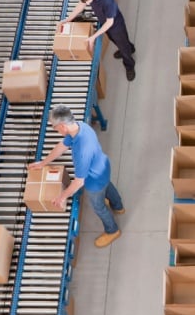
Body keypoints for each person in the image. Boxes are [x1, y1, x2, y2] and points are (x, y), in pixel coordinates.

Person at [29, 105, 124, 248]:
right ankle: (118, 207)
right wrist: (43, 163)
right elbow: (61, 146)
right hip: (103, 167)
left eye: (54, 128)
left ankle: (112, 230)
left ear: (62, 126)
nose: (55, 130)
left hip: (94, 181)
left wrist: (62, 197)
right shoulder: (80, 127)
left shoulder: (82, 150)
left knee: (99, 206)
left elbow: (79, 182)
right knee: (108, 187)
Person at [58, 0, 136, 81]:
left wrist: (93, 37)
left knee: (123, 46)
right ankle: (130, 48)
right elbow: (81, 5)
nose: (87, 4)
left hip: (116, 26)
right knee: (118, 42)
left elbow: (110, 22)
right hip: (105, 23)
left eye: (88, 1)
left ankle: (129, 65)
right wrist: (67, 19)